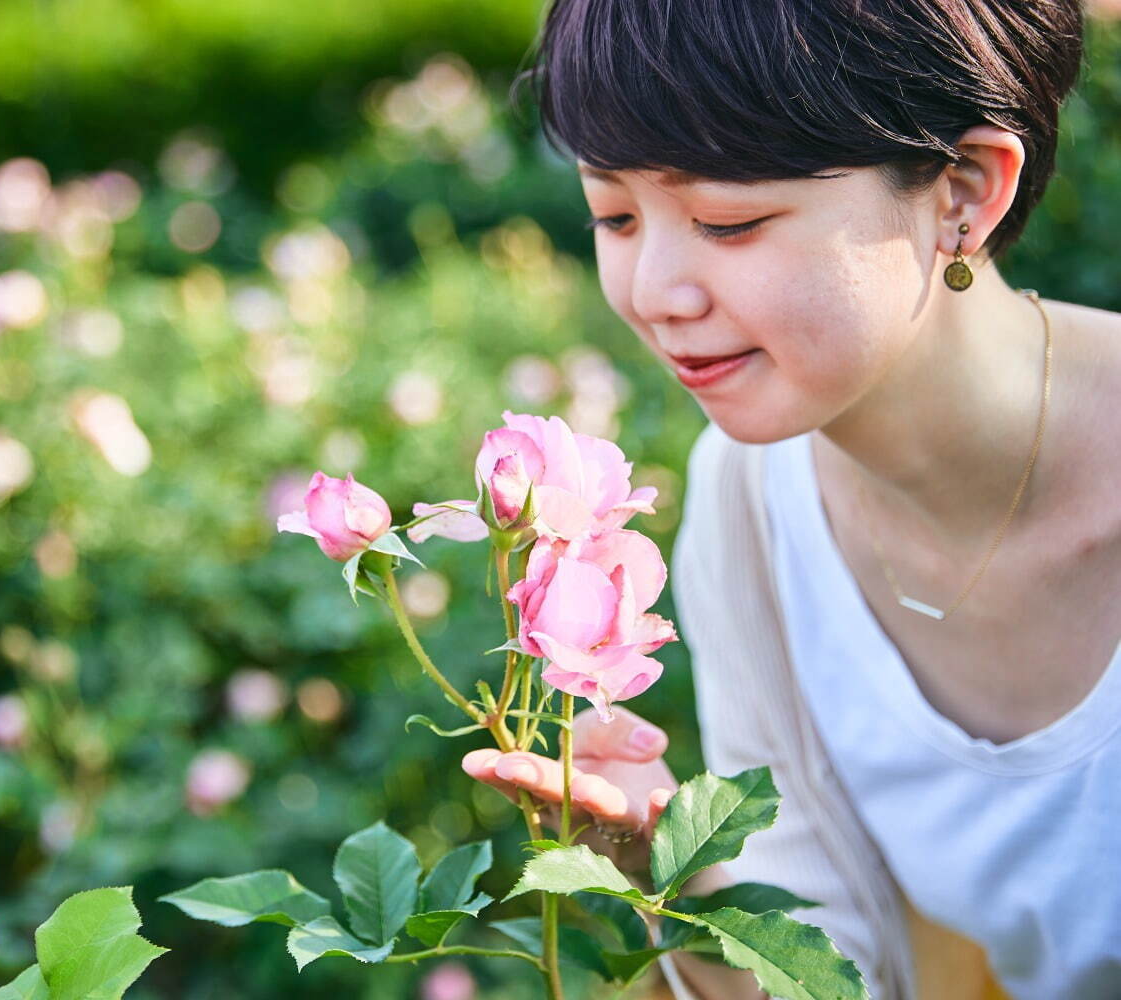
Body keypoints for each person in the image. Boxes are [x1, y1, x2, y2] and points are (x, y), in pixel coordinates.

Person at [462, 2, 1120, 998]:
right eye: (615, 215)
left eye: (730, 221)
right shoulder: (754, 504)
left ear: (965, 191)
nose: (656, 292)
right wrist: (670, 873)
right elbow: (838, 970)